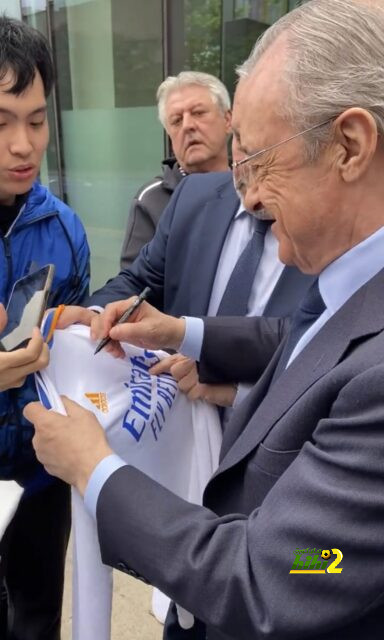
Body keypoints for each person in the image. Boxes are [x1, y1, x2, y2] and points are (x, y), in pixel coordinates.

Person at [27, 0, 384, 637]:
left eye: (258, 158)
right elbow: (294, 346)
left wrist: (94, 468)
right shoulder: (347, 275)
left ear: (349, 146)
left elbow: (287, 571)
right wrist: (180, 331)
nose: (246, 196)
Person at [0, 16, 90, 640]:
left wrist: (71, 328)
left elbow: (72, 345)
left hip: (38, 471)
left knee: (37, 618)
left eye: (36, 120)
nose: (23, 145)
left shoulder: (64, 227)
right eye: (1, 121)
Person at [120, 71, 231, 269]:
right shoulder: (152, 200)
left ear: (228, 120)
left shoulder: (255, 188)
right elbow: (133, 287)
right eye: (176, 121)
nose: (188, 125)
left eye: (198, 113)